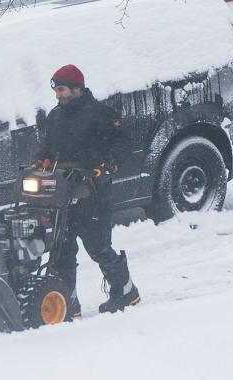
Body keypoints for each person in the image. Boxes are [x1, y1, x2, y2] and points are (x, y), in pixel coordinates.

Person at [35, 64, 141, 315]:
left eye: (61, 90)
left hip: (92, 190)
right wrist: (38, 163)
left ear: (76, 88)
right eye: (56, 91)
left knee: (97, 246)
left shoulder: (100, 114)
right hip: (62, 191)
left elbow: (123, 142)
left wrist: (106, 166)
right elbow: (47, 148)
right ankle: (69, 301)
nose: (58, 95)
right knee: (62, 248)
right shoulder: (55, 117)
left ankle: (125, 290)